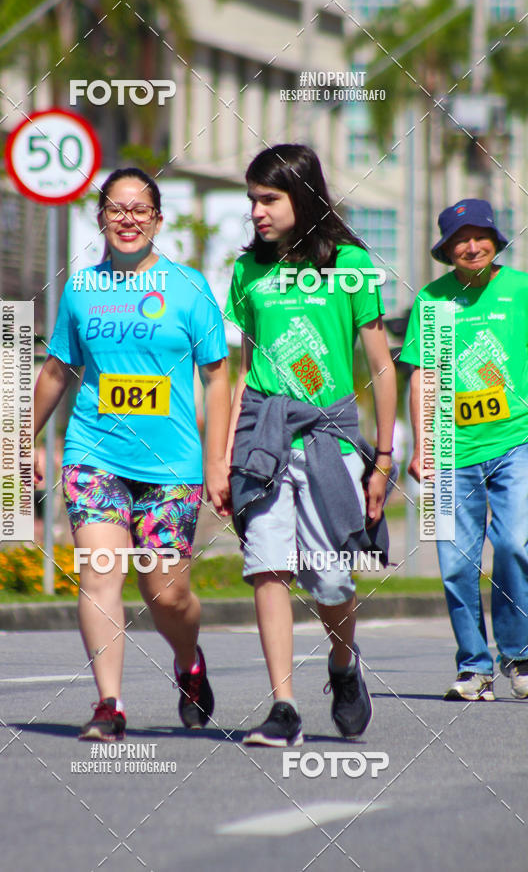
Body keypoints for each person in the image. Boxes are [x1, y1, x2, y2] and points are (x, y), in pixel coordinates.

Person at [34, 167, 231, 740]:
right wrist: (24, 438)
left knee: (167, 592)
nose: (127, 219)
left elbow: (217, 378)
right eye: (116, 209)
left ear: (158, 220)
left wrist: (217, 460)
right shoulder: (81, 288)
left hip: (172, 464)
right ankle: (109, 705)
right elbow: (57, 369)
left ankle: (189, 664)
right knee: (99, 573)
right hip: (94, 450)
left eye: (140, 209)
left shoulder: (190, 288)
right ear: (100, 218)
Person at [224, 144, 397, 746]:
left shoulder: (350, 263)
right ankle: (284, 709)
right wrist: (224, 457)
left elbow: (380, 365)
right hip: (263, 433)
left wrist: (383, 456)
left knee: (330, 582)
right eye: (252, 200)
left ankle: (344, 666)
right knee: (267, 568)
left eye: (268, 198)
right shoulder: (248, 270)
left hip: (331, 437)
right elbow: (247, 367)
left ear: (303, 196)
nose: (256, 212)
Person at [402, 198, 528, 701]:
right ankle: (474, 667)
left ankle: (519, 657)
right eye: (460, 238)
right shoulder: (432, 301)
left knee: (516, 548)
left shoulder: (520, 290)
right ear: (447, 248)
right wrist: (420, 447)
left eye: (480, 236)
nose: (471, 246)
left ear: (495, 240)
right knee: (455, 562)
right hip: (447, 449)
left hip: (516, 441)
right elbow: (421, 378)